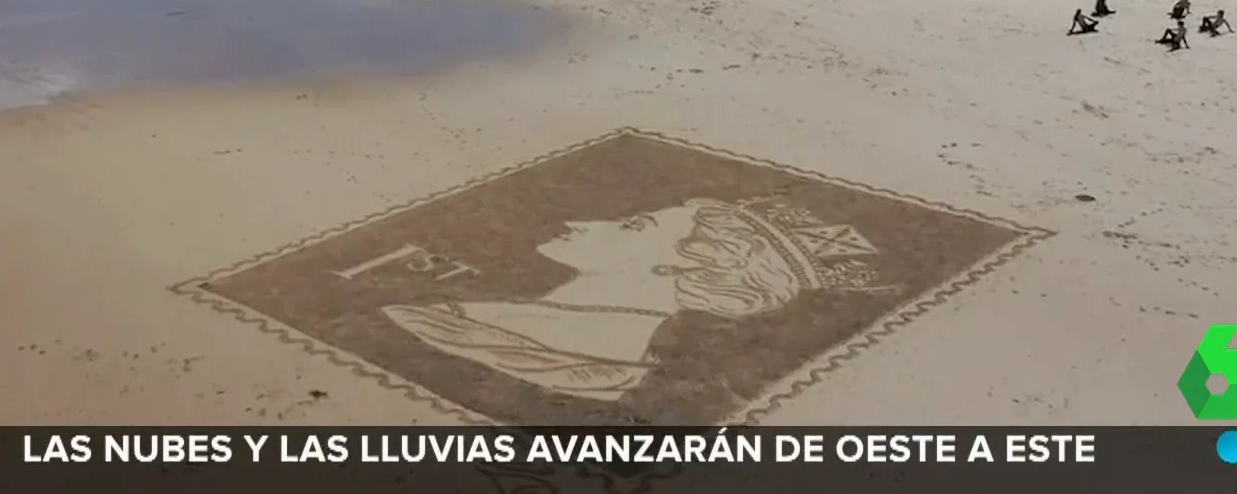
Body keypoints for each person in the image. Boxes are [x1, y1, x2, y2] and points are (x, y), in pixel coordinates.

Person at [379, 197, 889, 403]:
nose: (583, 221)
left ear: (686, 266)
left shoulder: (585, 362)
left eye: (633, 226)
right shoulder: (530, 323)